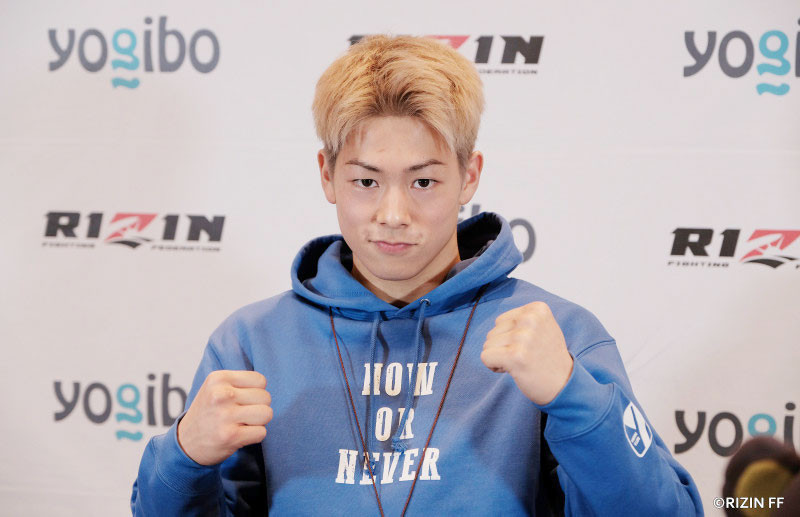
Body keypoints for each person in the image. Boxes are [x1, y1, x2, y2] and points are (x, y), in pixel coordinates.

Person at [131, 35, 704, 516]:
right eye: (366, 181)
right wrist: (184, 456)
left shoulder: (558, 334)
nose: (393, 213)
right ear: (327, 175)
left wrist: (574, 396)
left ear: (469, 175)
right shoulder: (251, 342)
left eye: (423, 181)